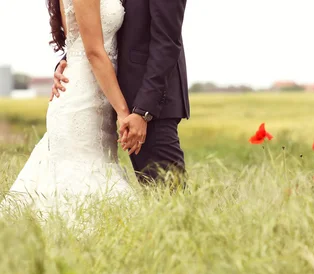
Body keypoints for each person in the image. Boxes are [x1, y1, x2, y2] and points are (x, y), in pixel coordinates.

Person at [1, 0, 189, 217]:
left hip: (151, 105)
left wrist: (142, 111)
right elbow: (91, 40)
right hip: (103, 103)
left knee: (170, 198)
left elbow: (166, 43)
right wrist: (69, 61)